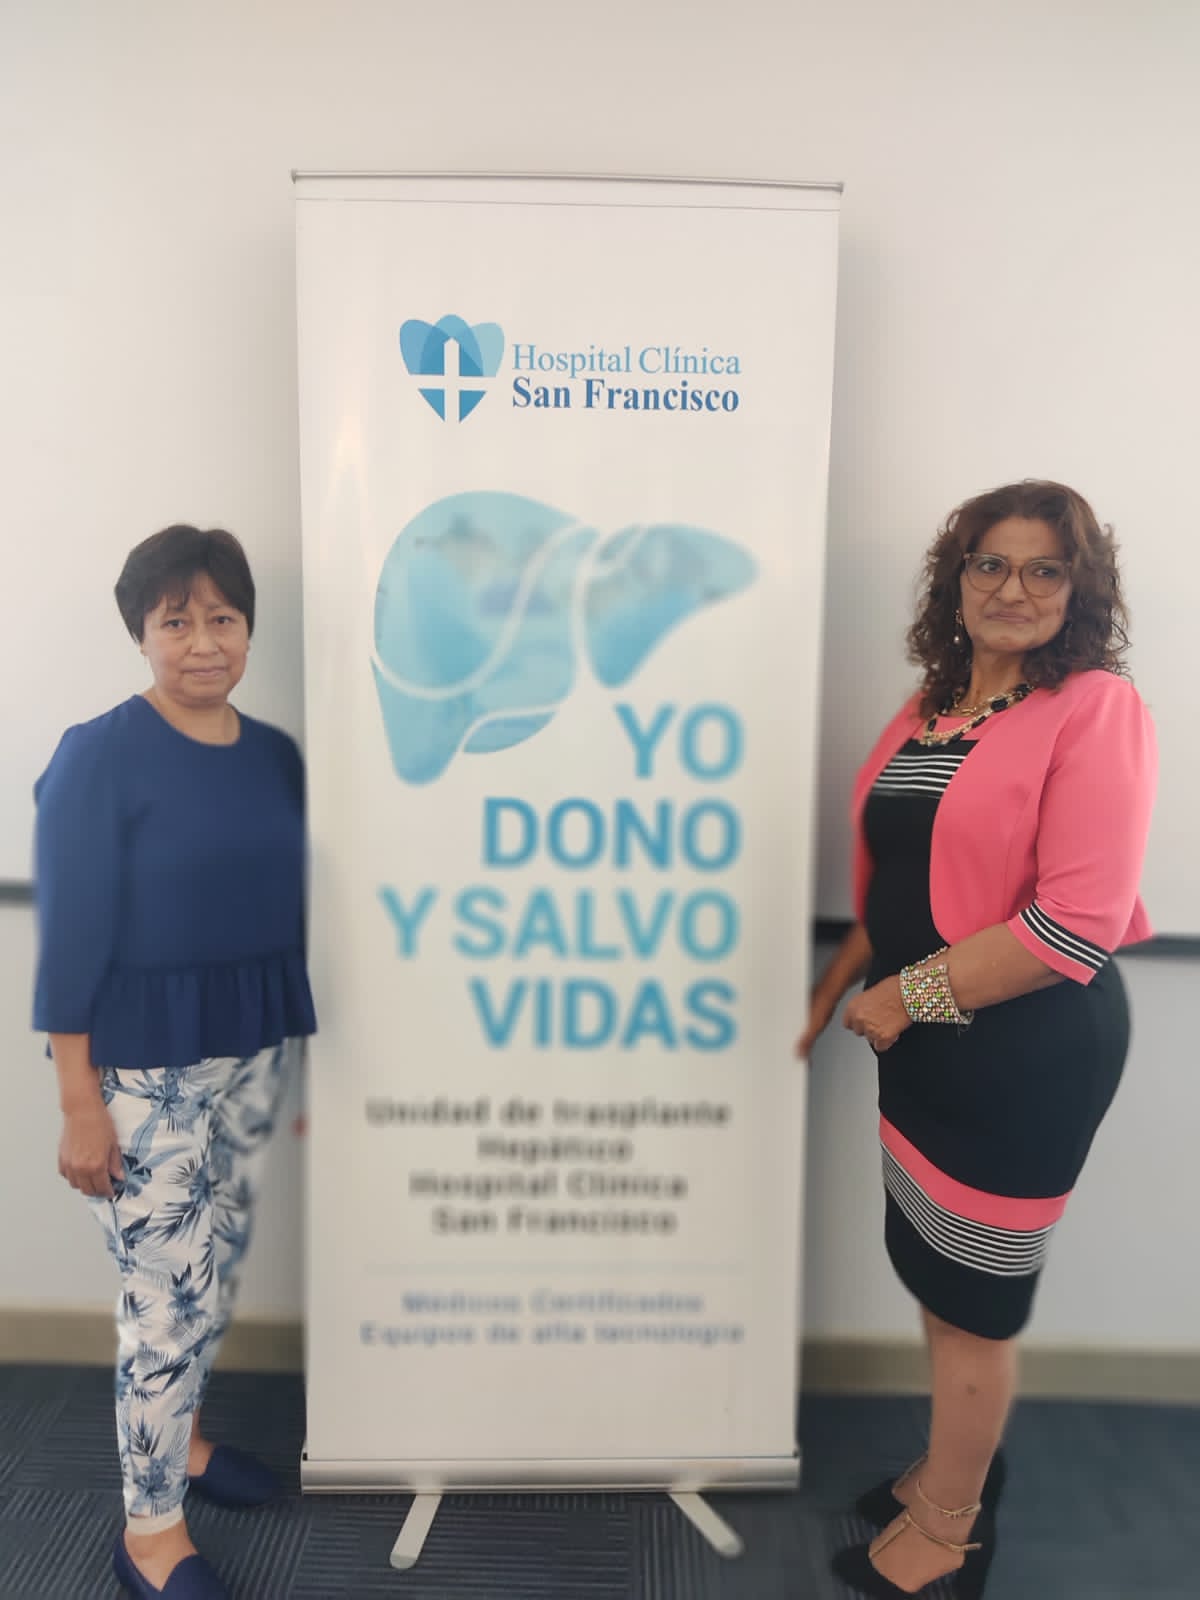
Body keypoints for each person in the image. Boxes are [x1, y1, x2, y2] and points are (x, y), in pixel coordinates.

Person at [796, 481, 1156, 1599]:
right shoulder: (933, 706)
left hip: (1023, 1049)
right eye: (990, 563)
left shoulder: (1094, 707)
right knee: (935, 1271)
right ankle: (950, 1471)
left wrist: (902, 999)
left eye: (1045, 568)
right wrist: (836, 987)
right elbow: (902, 877)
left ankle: (950, 1531)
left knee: (975, 1308)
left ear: (1079, 590)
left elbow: (1075, 925)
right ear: (957, 582)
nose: (1012, 587)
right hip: (925, 1042)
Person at [33, 525, 316, 1600]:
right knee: (163, 1304)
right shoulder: (98, 754)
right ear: (142, 633)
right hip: (138, 1073)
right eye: (177, 620)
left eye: (223, 618)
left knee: (213, 1273)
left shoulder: (275, 754)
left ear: (247, 628)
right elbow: (71, 938)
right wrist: (78, 1101)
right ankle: (148, 1534)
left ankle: (186, 1445)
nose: (204, 642)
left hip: (250, 1051)